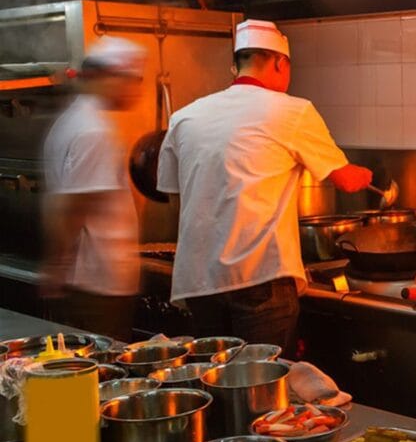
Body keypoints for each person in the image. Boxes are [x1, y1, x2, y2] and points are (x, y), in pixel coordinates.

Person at [156, 19, 372, 355]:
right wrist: (366, 174)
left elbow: (174, 193)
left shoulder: (185, 117)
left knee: (214, 377)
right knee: (264, 383)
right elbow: (345, 180)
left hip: (199, 282)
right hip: (259, 278)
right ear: (280, 63)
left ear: (237, 64)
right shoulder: (292, 111)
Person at [41, 36, 147, 344]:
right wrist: (56, 266)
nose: (134, 90)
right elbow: (73, 205)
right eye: (131, 80)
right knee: (100, 363)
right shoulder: (94, 131)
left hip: (87, 282)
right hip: (98, 284)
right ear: (106, 76)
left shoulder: (73, 120)